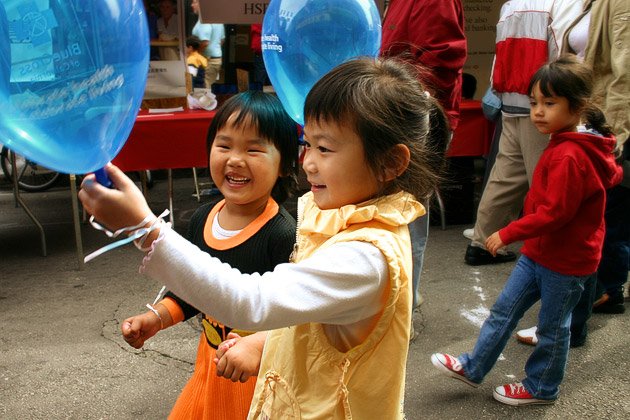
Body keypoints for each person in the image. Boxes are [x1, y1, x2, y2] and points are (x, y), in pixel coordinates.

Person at [79, 57, 449, 418]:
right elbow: (316, 318)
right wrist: (264, 341)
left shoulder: (365, 259)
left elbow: (250, 301)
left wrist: (145, 228)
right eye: (309, 144)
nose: (309, 162)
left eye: (325, 148)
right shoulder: (345, 219)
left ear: (390, 163)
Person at [431, 55, 623, 406]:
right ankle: (473, 367)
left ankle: (541, 388)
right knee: (504, 311)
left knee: (552, 329)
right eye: (534, 102)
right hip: (540, 252)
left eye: (549, 103)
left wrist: (508, 231)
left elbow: (555, 213)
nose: (537, 111)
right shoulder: (564, 143)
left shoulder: (571, 155)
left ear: (578, 107)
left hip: (565, 260)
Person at [118, 91, 299, 419]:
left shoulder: (283, 234)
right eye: (224, 145)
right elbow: (191, 291)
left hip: (256, 377)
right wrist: (155, 318)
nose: (235, 159)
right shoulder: (202, 218)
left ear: (285, 164)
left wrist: (257, 346)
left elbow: (296, 319)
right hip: (210, 363)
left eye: (254, 149)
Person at [515, 0, 630, 347]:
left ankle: (566, 327)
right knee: (595, 228)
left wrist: (614, 135)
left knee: (586, 232)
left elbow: (624, 73)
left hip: (602, 123)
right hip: (585, 122)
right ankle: (583, 311)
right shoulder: (585, 3)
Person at [464, 0, 583, 265]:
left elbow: (499, 54)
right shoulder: (561, 4)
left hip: (513, 98)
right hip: (545, 101)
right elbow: (562, 49)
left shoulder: (510, 6)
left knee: (505, 176)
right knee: (546, 181)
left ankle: (482, 243)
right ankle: (548, 252)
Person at [380, 0, 466, 311]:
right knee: (396, 211)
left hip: (414, 117)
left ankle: (405, 307)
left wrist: (399, 97)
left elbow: (444, 59)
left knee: (409, 215)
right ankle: (400, 298)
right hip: (396, 113)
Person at [190, 0, 225, 89]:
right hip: (215, 59)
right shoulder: (216, 18)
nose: (192, 5)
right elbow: (222, 40)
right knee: (207, 87)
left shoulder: (204, 20)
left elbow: (205, 42)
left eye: (194, 2)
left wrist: (196, 55)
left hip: (207, 60)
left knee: (204, 89)